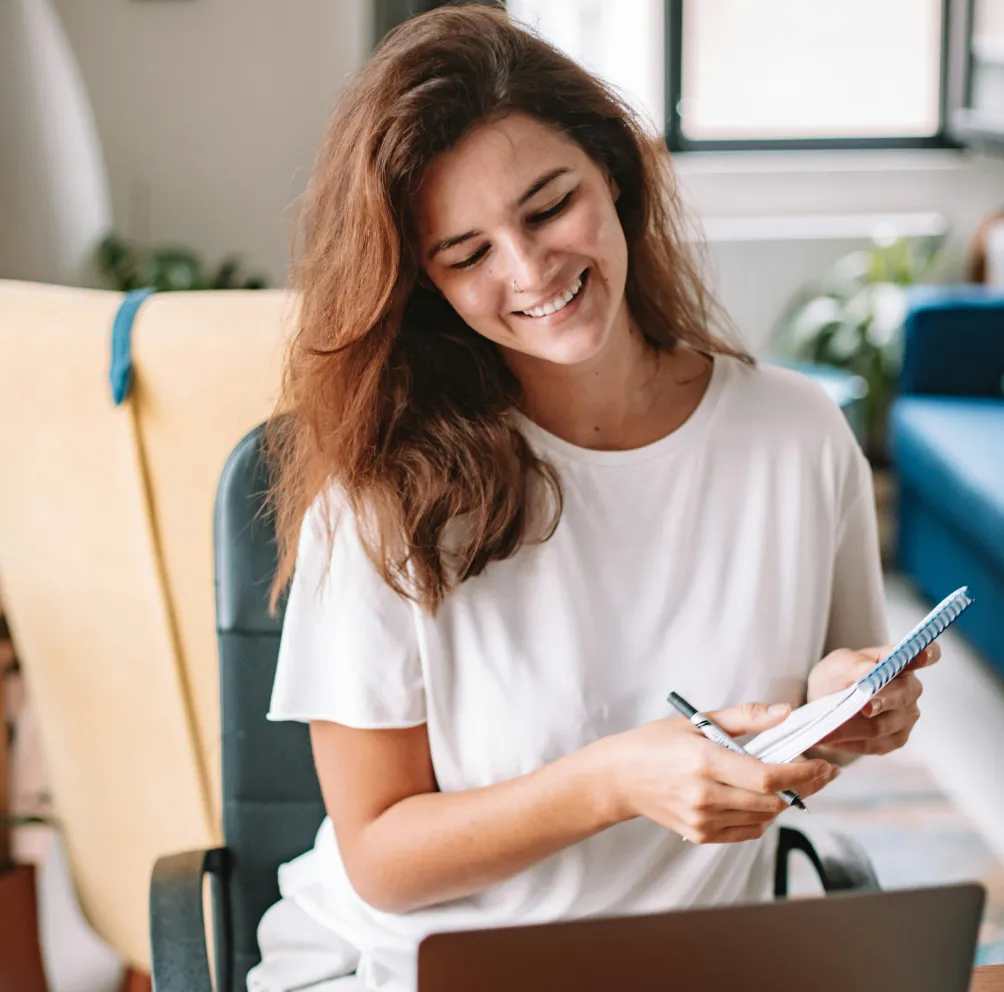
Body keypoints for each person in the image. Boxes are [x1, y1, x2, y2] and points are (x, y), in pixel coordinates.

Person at [246, 6, 939, 990]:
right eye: (466, 253)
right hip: (412, 969)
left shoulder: (795, 436)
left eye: (545, 206)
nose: (527, 271)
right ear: (423, 285)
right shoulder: (382, 497)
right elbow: (381, 860)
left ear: (611, 171)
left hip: (693, 964)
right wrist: (612, 780)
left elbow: (829, 688)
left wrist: (844, 709)